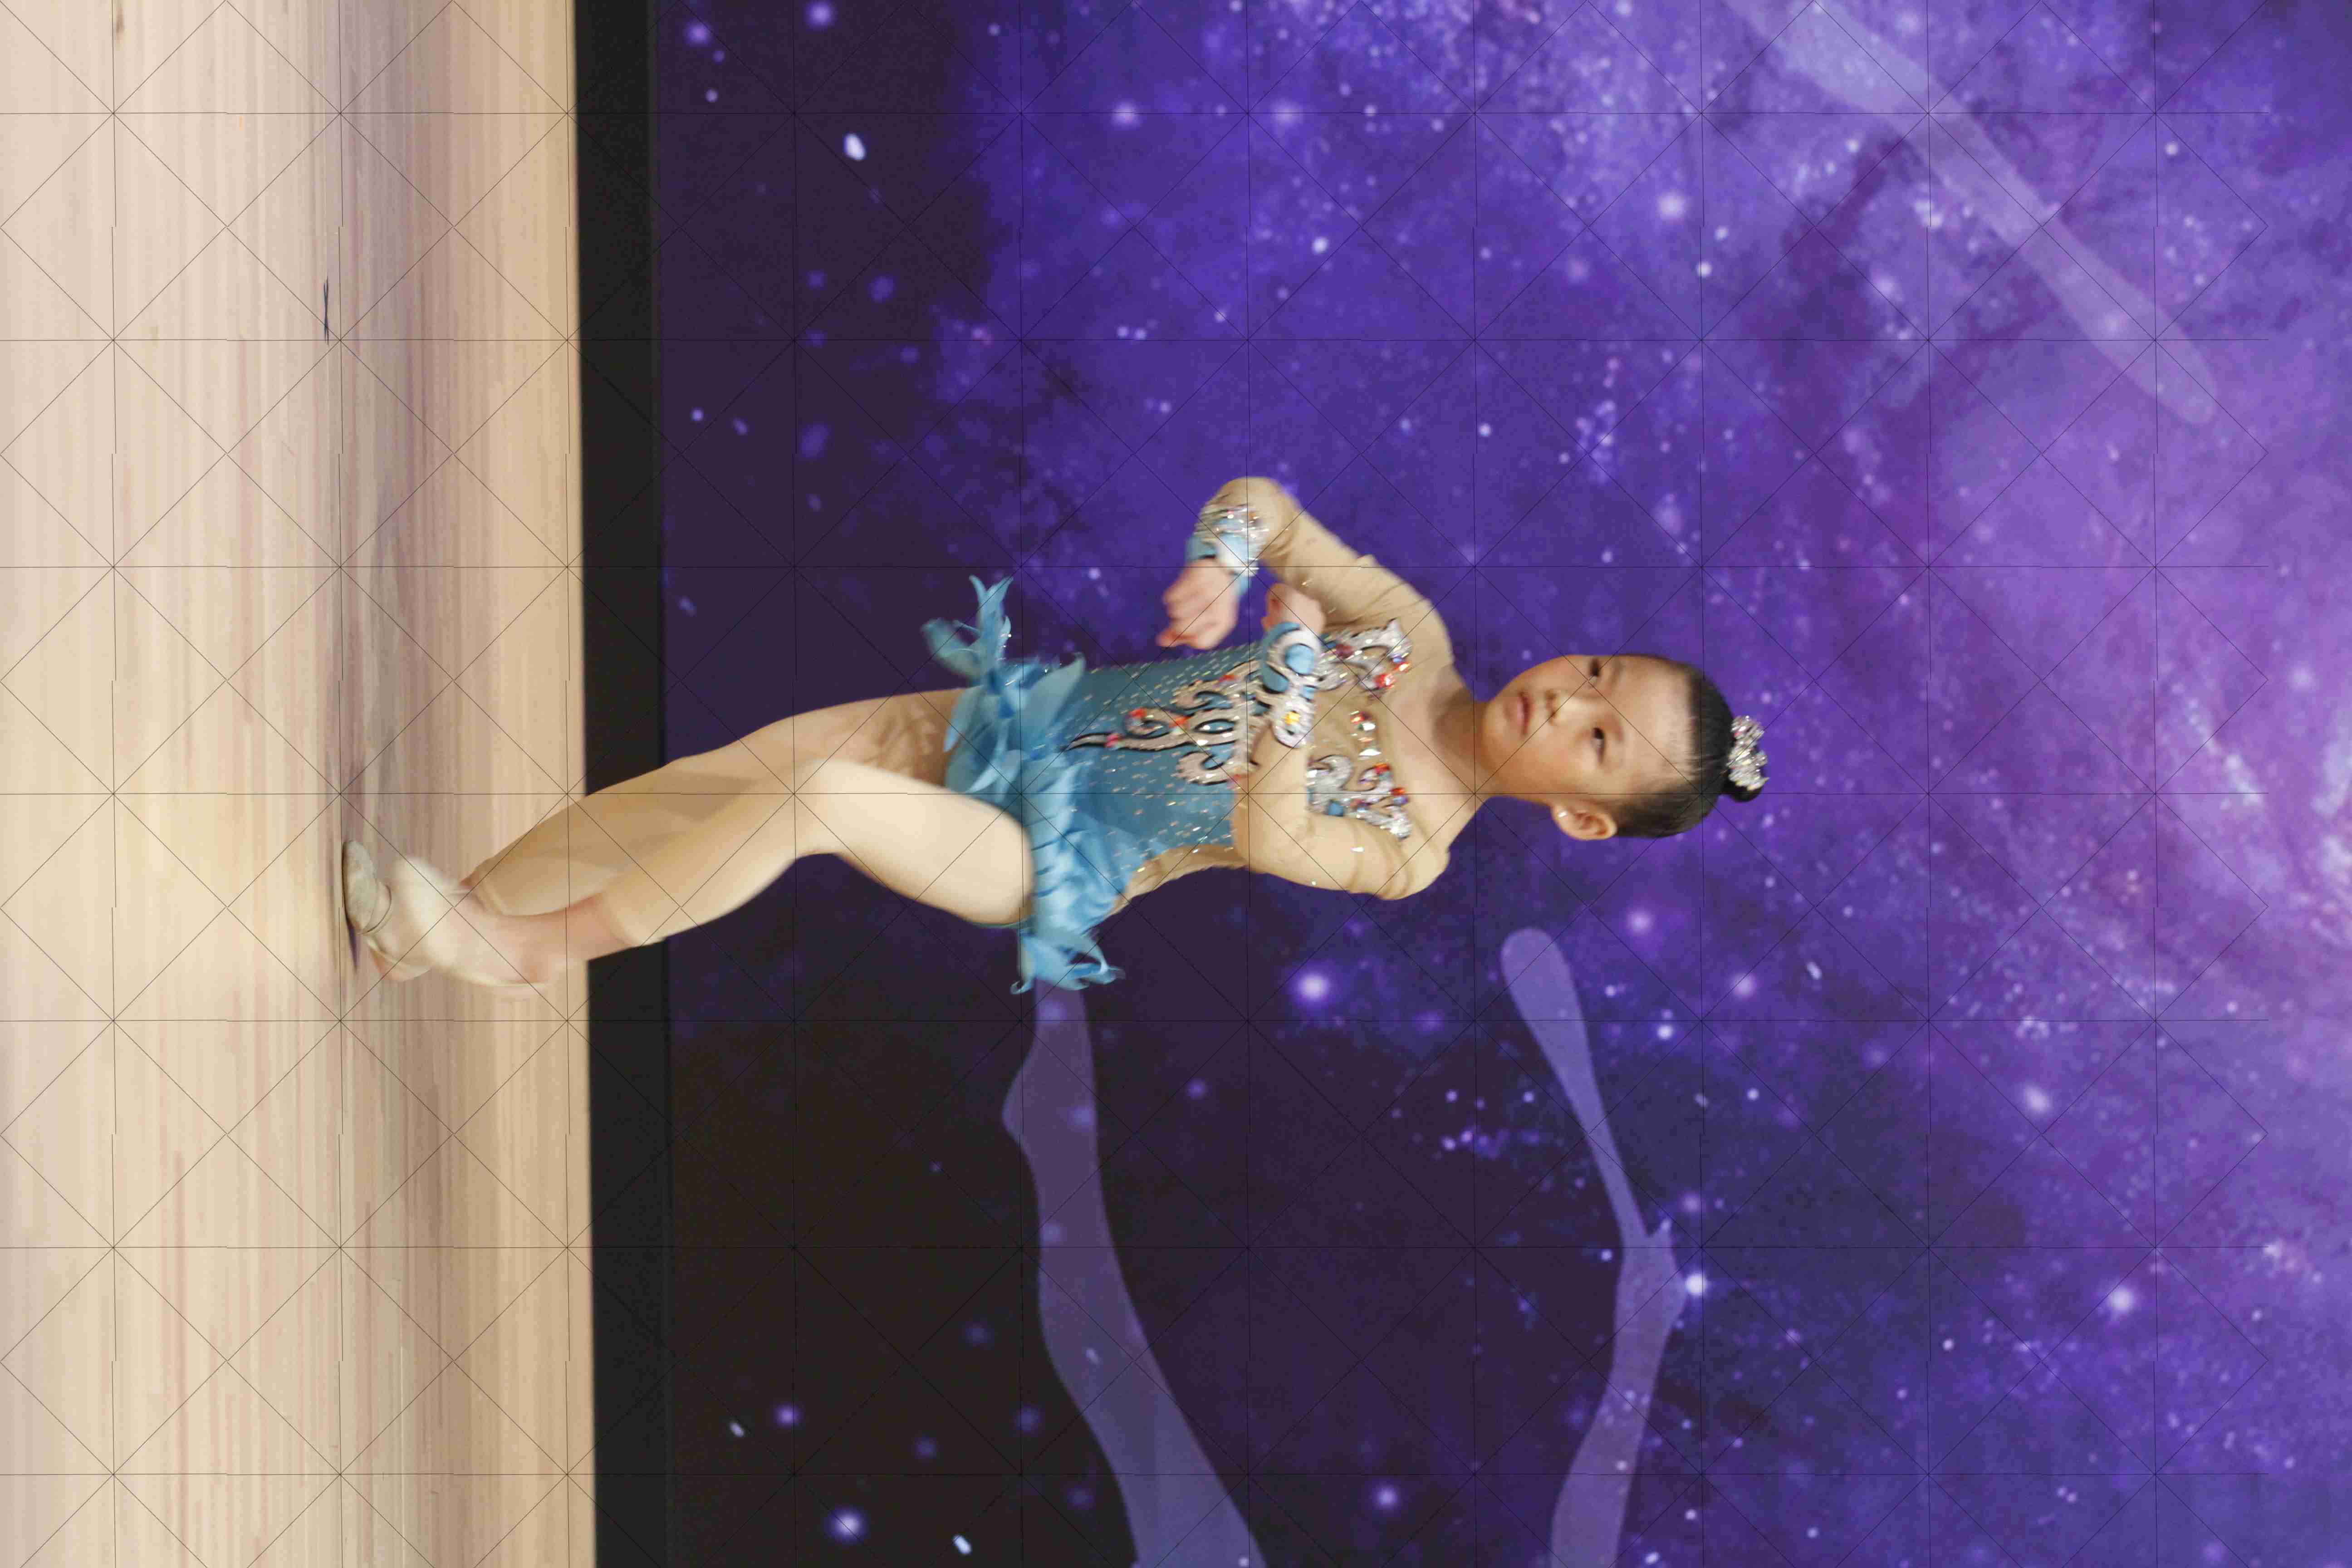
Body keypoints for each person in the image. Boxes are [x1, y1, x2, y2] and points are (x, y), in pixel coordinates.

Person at [340, 476, 1769, 994]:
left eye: (1598, 741)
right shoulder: (1411, 632)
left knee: (817, 800)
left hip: (1048, 853)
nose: (1566, 702)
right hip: (1015, 724)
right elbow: (1268, 506)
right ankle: (450, 921)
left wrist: (1284, 678)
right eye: (1596, 672)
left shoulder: (1413, 853)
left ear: (1582, 816)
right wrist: (1223, 560)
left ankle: (527, 952)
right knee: (725, 783)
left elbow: (1275, 830)